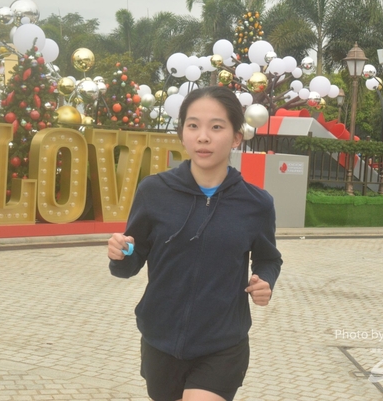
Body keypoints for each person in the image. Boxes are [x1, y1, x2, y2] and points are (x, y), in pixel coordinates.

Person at [107, 86, 282, 401]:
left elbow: (268, 258)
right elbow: (131, 261)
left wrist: (265, 281)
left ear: (236, 137)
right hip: (160, 341)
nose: (203, 137)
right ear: (182, 134)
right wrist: (121, 253)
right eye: (193, 126)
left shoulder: (256, 203)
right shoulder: (153, 191)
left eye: (216, 127)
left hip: (222, 344)